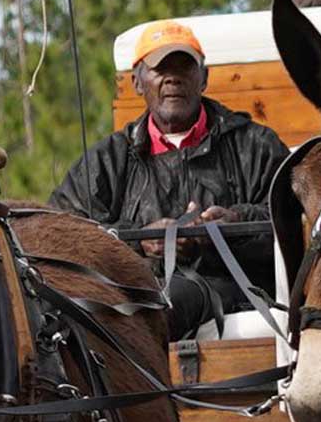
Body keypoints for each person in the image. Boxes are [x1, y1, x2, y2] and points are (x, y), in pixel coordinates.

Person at [51, 19, 290, 339]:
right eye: (160, 69)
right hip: (135, 290)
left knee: (171, 299)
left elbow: (297, 223)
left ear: (204, 78)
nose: (172, 78)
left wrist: (232, 225)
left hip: (234, 291)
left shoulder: (256, 145)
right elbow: (62, 233)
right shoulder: (105, 161)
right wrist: (139, 240)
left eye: (184, 67)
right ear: (137, 82)